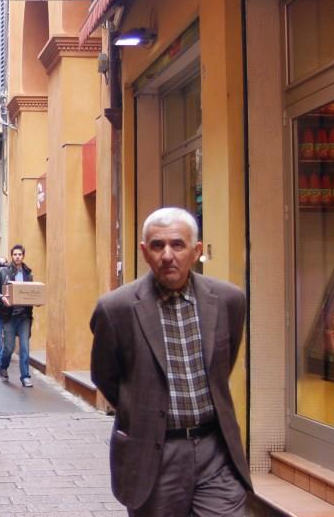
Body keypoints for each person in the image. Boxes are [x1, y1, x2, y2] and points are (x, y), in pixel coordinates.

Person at [89, 207, 252, 517]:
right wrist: (142, 409)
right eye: (157, 245)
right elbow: (105, 376)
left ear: (196, 250)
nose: (167, 255)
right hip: (155, 452)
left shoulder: (229, 299)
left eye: (177, 244)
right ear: (144, 252)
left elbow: (223, 365)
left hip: (215, 448)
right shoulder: (117, 308)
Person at [0, 244, 35, 387]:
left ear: (23, 256)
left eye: (20, 254)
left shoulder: (28, 273)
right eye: (15, 254)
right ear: (12, 256)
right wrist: (2, 297)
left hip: (24, 315)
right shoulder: (3, 272)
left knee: (24, 347)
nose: (17, 257)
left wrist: (35, 300)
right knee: (9, 347)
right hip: (9, 315)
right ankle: (3, 367)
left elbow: (31, 292)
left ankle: (25, 376)